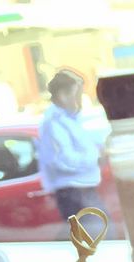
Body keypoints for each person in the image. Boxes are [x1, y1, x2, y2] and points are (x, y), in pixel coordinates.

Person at [38, 70, 103, 224]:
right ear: (62, 95)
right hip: (74, 194)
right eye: (78, 94)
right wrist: (96, 158)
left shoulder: (69, 119)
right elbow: (63, 160)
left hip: (81, 192)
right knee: (95, 236)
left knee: (100, 234)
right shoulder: (54, 123)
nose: (81, 99)